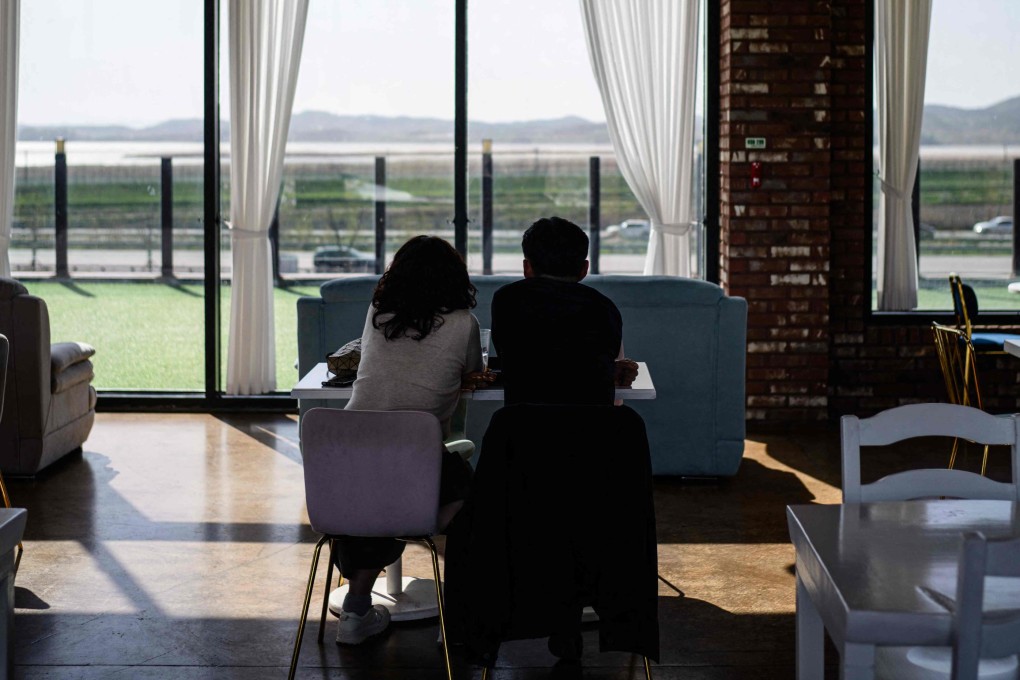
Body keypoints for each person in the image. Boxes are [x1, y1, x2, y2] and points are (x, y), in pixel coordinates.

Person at [333, 234, 490, 645]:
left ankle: (355, 610)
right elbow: (470, 373)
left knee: (378, 497)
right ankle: (459, 616)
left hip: (347, 471)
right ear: (456, 278)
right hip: (415, 469)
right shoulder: (464, 324)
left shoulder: (377, 315)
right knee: (478, 494)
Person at [491, 216, 638, 407]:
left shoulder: (507, 300)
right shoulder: (603, 308)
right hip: (595, 433)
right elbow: (615, 399)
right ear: (584, 269)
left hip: (523, 431)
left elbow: (513, 361)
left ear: (527, 267)